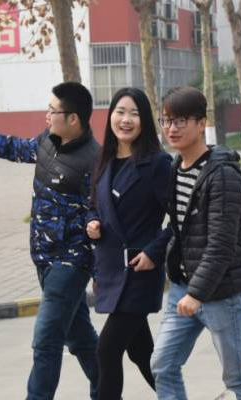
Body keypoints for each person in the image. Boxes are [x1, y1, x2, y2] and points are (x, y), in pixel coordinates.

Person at [0, 82, 100, 400]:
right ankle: (108, 391)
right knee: (80, 338)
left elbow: (102, 212)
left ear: (73, 119)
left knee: (46, 340)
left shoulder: (94, 161)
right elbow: (13, 147)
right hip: (44, 258)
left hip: (71, 262)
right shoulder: (47, 141)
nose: (47, 115)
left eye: (53, 110)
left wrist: (97, 239)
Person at [150, 86, 241, 400]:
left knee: (238, 379)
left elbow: (222, 244)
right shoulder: (176, 167)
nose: (172, 128)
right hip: (183, 288)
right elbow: (178, 228)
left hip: (222, 293)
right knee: (162, 364)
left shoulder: (223, 174)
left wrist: (197, 294)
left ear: (202, 124)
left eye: (180, 120)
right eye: (166, 120)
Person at [85, 87, 172, 399]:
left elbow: (180, 219)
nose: (126, 120)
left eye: (134, 114)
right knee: (142, 353)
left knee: (106, 350)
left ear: (144, 120)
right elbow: (94, 205)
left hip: (139, 272)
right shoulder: (104, 160)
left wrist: (154, 252)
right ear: (110, 117)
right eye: (120, 112)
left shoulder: (158, 163)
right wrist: (91, 223)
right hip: (110, 271)